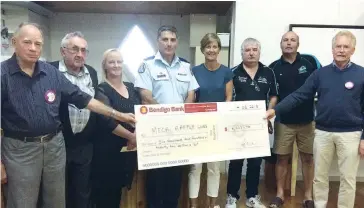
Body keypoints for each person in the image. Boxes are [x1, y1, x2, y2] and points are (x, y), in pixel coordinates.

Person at [1, 22, 135, 208]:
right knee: (23, 201)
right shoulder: (3, 74)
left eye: (38, 44)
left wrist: (118, 114)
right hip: (20, 149)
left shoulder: (50, 72)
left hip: (54, 146)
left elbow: (82, 98)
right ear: (14, 42)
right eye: (27, 42)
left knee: (57, 201)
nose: (33, 48)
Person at [265, 30, 364, 208]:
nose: (341, 50)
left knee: (348, 179)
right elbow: (299, 95)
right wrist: (275, 110)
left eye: (345, 47)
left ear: (353, 50)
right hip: (322, 132)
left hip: (351, 134)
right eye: (338, 46)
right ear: (332, 49)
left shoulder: (361, 74)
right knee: (319, 177)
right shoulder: (321, 74)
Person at [134, 25, 199, 208]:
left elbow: (191, 94)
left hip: (179, 129)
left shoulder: (185, 66)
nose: (169, 43)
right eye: (165, 39)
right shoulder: (147, 65)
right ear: (158, 41)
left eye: (172, 40)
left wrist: (180, 115)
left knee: (175, 174)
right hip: (156, 128)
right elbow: (145, 95)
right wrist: (166, 116)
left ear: (176, 42)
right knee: (156, 174)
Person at [267, 31, 321, 208]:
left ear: (298, 44)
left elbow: (320, 89)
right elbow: (271, 95)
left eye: (293, 40)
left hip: (307, 120)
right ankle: (280, 194)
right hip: (283, 121)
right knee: (282, 159)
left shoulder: (310, 63)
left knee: (308, 158)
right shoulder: (273, 67)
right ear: (280, 44)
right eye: (285, 40)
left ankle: (307, 195)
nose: (289, 43)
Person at [225, 38, 278, 208]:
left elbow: (274, 96)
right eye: (247, 50)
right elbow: (228, 98)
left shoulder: (268, 72)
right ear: (242, 52)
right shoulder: (232, 72)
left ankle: (252, 196)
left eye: (255, 49)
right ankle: (232, 196)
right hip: (237, 125)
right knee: (235, 162)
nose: (251, 53)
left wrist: (269, 113)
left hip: (259, 124)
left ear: (259, 52)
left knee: (255, 162)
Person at [49, 31, 98, 208]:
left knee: (82, 193)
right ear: (63, 51)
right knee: (58, 192)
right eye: (75, 49)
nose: (80, 54)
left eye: (84, 50)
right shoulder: (50, 70)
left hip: (84, 145)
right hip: (58, 144)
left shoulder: (91, 72)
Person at [188, 33, 233, 208]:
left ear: (219, 49)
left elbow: (228, 98)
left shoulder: (227, 72)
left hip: (218, 125)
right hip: (198, 125)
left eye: (214, 46)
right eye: (208, 46)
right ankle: (193, 205)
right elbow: (191, 97)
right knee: (195, 167)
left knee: (214, 168)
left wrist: (221, 117)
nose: (211, 50)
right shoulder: (195, 71)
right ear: (202, 49)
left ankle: (211, 204)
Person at [91, 49, 139, 208]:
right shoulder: (101, 89)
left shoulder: (132, 87)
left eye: (119, 61)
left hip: (128, 152)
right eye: (111, 62)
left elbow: (141, 113)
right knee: (106, 198)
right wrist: (131, 137)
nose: (116, 65)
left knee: (118, 195)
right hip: (108, 152)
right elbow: (107, 121)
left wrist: (136, 135)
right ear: (105, 65)